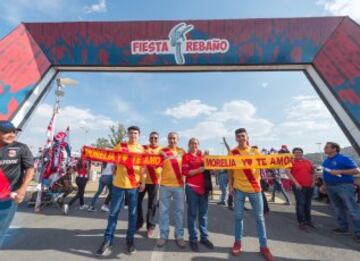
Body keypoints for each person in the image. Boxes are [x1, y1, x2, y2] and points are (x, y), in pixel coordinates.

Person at [96, 126, 145, 256]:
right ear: (128, 134)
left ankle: (130, 241)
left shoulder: (141, 149)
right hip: (118, 185)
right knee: (113, 214)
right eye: (131, 133)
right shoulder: (120, 145)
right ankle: (107, 241)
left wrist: (143, 182)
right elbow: (112, 160)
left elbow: (143, 167)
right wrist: (113, 175)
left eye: (135, 133)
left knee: (132, 215)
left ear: (139, 135)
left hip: (133, 186)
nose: (133, 135)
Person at [229, 128, 274, 260]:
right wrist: (230, 185)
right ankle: (237, 243)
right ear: (236, 138)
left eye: (243, 136)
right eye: (238, 136)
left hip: (255, 189)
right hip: (238, 189)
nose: (241, 138)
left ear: (247, 137)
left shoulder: (255, 151)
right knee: (238, 217)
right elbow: (230, 170)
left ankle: (264, 247)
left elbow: (264, 165)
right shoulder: (232, 152)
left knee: (259, 218)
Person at [0, 120, 34, 247]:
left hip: (8, 199)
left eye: (13, 132)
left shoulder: (21, 148)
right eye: (6, 132)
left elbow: (30, 168)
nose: (12, 135)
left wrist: (23, 189)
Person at [322, 142, 360, 242]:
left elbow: (357, 170)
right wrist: (324, 185)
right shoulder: (325, 161)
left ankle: (359, 231)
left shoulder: (344, 158)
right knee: (338, 209)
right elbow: (325, 174)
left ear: (334, 149)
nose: (324, 149)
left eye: (326, 147)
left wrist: (340, 171)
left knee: (352, 209)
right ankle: (343, 228)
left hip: (344, 186)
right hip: (330, 187)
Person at [183, 138, 214, 252]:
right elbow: (186, 172)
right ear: (189, 144)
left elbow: (210, 168)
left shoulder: (203, 155)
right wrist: (200, 170)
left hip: (204, 189)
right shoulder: (186, 156)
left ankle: (204, 238)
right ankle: (193, 239)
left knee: (203, 215)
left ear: (198, 144)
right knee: (192, 214)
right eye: (192, 143)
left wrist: (208, 160)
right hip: (191, 188)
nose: (194, 145)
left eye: (196, 143)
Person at [156, 132, 186, 249]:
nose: (172, 140)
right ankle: (163, 235)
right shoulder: (162, 151)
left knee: (179, 212)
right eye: (170, 138)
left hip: (178, 186)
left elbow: (190, 163)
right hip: (164, 185)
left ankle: (179, 236)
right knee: (163, 212)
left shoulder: (182, 152)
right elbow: (153, 159)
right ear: (167, 139)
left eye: (174, 138)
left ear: (178, 139)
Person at [136, 131, 162, 238]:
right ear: (149, 139)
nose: (153, 140)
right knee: (137, 202)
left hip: (154, 181)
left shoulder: (162, 150)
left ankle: (150, 226)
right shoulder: (143, 148)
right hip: (142, 181)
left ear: (158, 139)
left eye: (155, 138)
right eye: (151, 138)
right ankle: (140, 221)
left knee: (152, 205)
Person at [286, 147, 315, 231]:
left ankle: (308, 221)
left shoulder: (308, 162)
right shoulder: (291, 162)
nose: (298, 154)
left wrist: (313, 182)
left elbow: (313, 173)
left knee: (308, 204)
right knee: (300, 204)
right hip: (298, 186)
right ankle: (301, 222)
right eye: (296, 152)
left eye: (299, 152)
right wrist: (296, 183)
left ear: (302, 153)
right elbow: (288, 173)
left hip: (309, 186)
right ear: (293, 154)